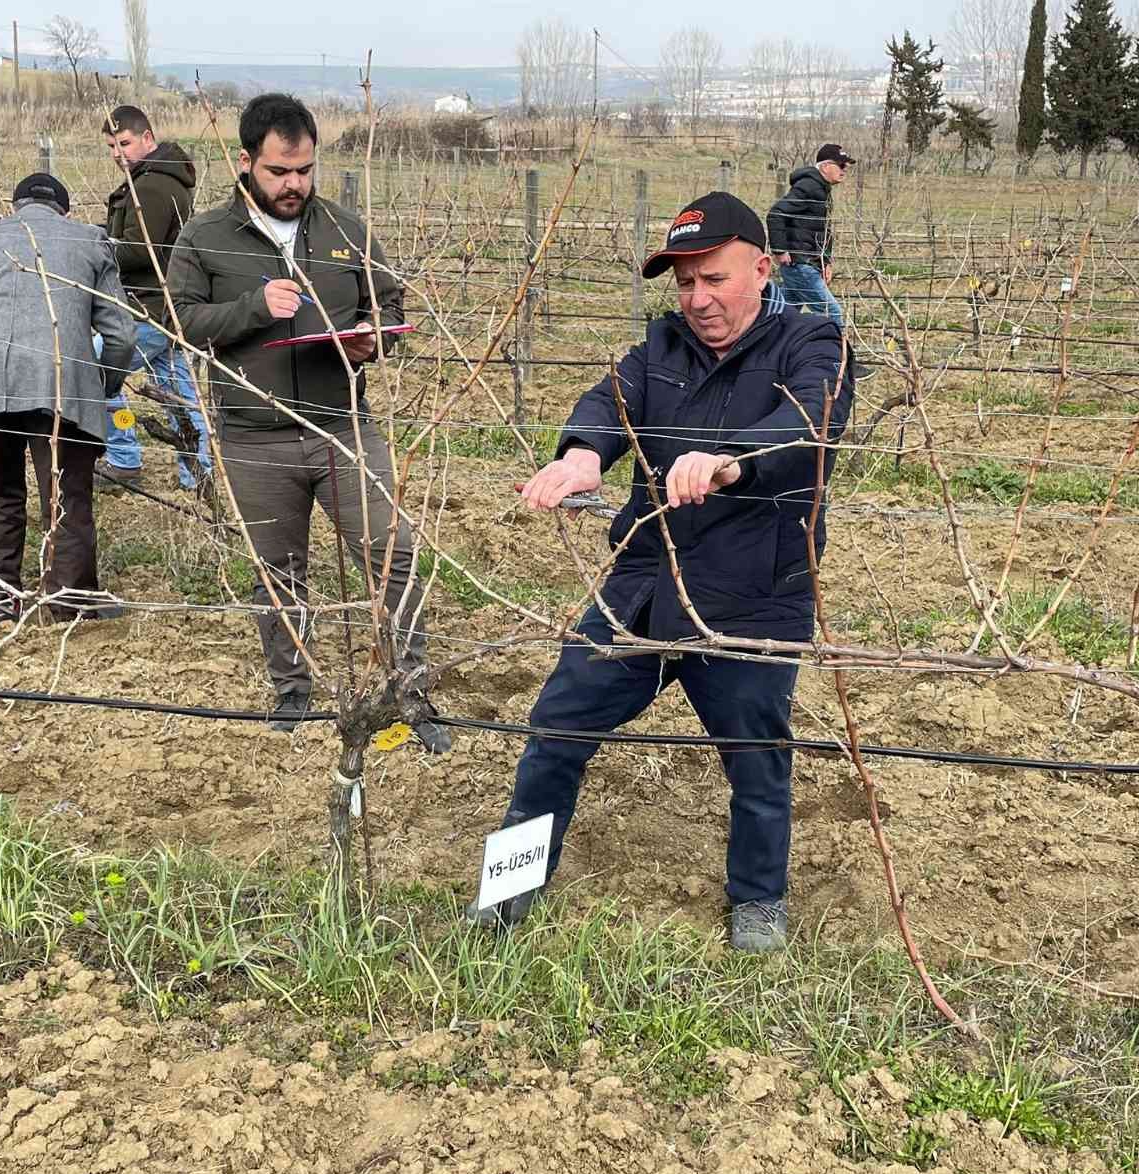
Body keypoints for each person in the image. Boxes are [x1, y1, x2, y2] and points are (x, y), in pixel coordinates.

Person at [466, 192, 853, 952]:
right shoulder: (661, 348)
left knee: (756, 756)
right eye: (684, 284)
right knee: (556, 726)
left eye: (713, 279)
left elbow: (814, 422)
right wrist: (581, 452)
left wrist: (729, 461)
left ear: (762, 267)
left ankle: (758, 905)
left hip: (754, 593)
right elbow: (609, 401)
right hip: (645, 584)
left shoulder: (812, 342)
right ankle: (510, 885)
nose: (698, 299)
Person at [168, 93, 452, 752]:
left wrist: (373, 337)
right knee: (278, 570)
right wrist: (252, 307)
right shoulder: (205, 237)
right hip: (253, 436)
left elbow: (388, 302)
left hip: (344, 427)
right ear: (245, 163)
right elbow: (181, 321)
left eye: (304, 171)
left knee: (393, 556)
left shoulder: (345, 229)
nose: (294, 185)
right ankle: (292, 689)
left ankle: (411, 689)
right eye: (279, 172)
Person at [0, 173, 136, 622]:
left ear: (15, 205)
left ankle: (0, 596)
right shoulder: (91, 241)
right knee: (65, 494)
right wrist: (105, 386)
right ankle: (67, 603)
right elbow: (120, 335)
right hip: (59, 380)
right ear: (66, 210)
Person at [100, 104, 212, 492]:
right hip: (170, 308)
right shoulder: (164, 179)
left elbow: (138, 250)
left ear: (148, 139)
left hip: (146, 309)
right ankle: (198, 473)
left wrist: (95, 245)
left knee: (94, 371)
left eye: (125, 143)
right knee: (178, 395)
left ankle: (123, 458)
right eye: (112, 146)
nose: (118, 153)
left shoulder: (149, 184)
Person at [767, 143, 855, 327]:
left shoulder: (821, 188)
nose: (845, 170)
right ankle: (837, 355)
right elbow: (776, 215)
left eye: (846, 166)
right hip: (800, 263)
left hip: (806, 262)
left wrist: (826, 261)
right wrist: (779, 250)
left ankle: (763, 346)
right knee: (831, 313)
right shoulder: (809, 186)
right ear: (824, 166)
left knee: (781, 315)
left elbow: (822, 229)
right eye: (841, 165)